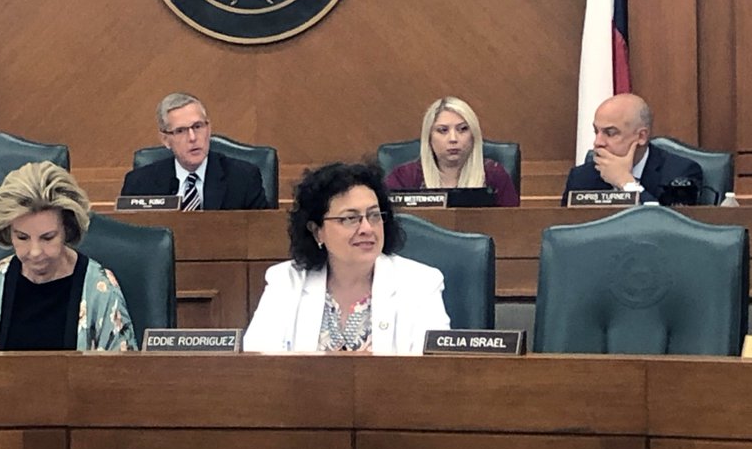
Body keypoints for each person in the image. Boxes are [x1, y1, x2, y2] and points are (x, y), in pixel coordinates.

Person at [244, 161, 451, 353]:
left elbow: (433, 367)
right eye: (350, 218)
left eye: (374, 215)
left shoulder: (421, 283)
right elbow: (257, 356)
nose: (367, 228)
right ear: (317, 231)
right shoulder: (286, 280)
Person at [0, 161, 137, 352]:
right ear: (8, 232)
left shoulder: (100, 289)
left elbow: (121, 368)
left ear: (67, 229)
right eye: (22, 237)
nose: (35, 251)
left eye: (47, 238)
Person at [120, 92, 268, 210]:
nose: (192, 138)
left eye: (197, 127)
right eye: (180, 131)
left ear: (208, 129)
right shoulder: (139, 184)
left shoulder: (244, 178)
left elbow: (262, 232)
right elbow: (131, 237)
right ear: (165, 139)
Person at [561, 93, 702, 204]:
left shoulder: (679, 173)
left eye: (610, 133)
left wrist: (626, 183)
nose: (598, 142)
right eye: (596, 131)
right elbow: (567, 229)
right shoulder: (581, 177)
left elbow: (672, 227)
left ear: (641, 136)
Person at [383, 97, 519, 206]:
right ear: (429, 137)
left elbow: (512, 225)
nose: (453, 139)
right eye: (443, 130)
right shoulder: (404, 178)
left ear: (474, 135)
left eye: (463, 129)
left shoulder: (494, 175)